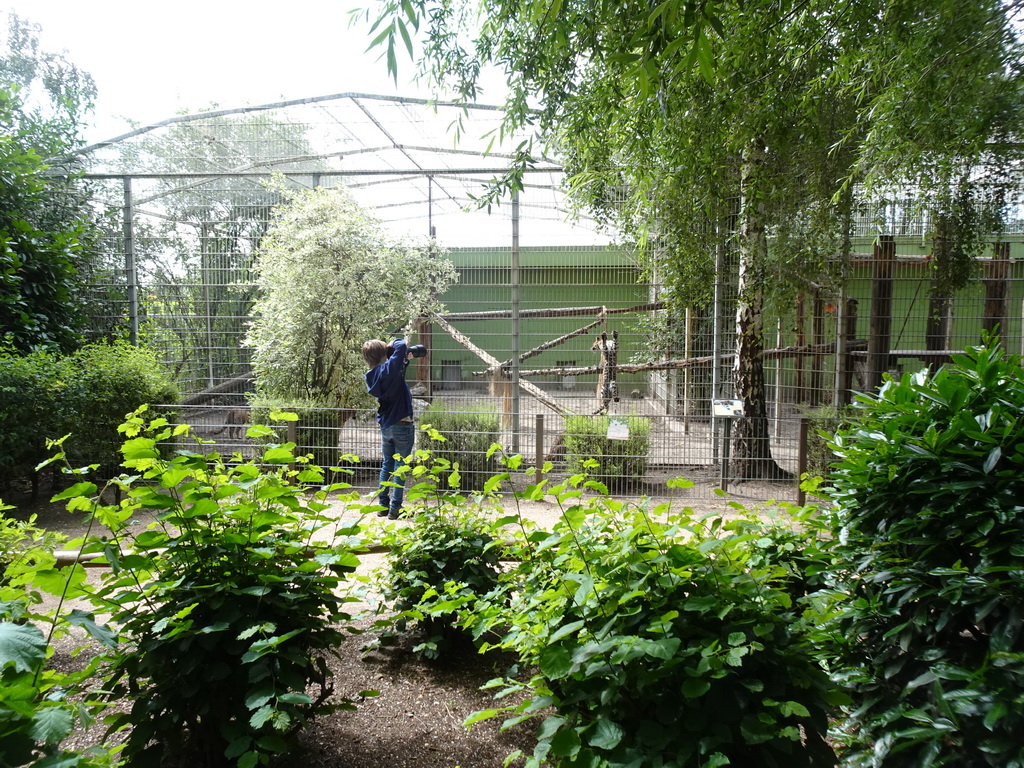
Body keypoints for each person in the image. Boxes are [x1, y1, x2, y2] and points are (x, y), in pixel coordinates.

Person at [363, 337, 417, 519]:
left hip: (386, 425)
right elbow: (400, 344)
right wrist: (392, 344)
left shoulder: (370, 376)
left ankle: (383, 505)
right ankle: (396, 508)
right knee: (401, 466)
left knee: (387, 464)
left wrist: (402, 359)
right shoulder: (388, 369)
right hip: (402, 424)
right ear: (384, 353)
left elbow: (395, 375)